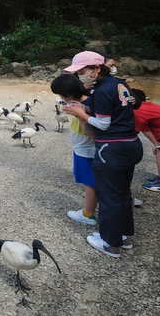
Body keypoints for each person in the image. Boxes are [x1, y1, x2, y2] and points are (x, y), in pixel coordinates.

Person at [62, 51, 142, 258]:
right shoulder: (118, 84)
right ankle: (123, 236)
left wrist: (81, 114)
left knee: (108, 197)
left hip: (112, 149)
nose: (80, 76)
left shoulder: (103, 90)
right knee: (123, 194)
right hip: (131, 144)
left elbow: (103, 124)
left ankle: (109, 243)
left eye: (82, 71)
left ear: (97, 69)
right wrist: (85, 107)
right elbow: (116, 111)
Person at [51, 73, 98, 225]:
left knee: (89, 181)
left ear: (68, 95)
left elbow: (91, 133)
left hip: (86, 149)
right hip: (82, 146)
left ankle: (88, 213)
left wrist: (79, 115)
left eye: (60, 94)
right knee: (91, 180)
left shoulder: (83, 107)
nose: (60, 98)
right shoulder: (89, 99)